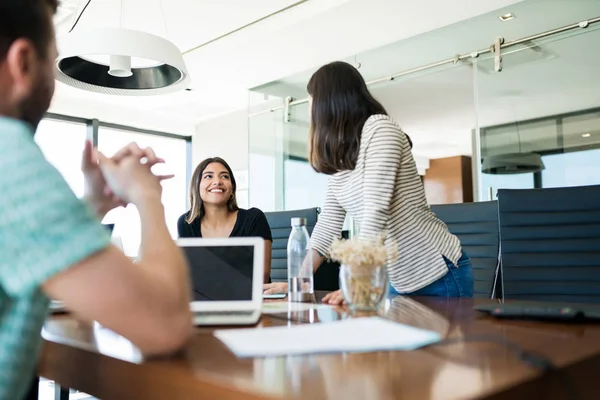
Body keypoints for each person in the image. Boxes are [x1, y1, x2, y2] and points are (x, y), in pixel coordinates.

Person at [0, 1, 192, 398]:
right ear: (23, 62)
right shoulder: (8, 156)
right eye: (52, 62)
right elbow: (165, 324)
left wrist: (91, 207)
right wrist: (146, 196)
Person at [264, 61, 473, 303]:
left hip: (435, 272)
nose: (309, 107)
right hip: (396, 278)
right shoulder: (342, 155)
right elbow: (328, 225)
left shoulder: (380, 129)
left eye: (312, 98)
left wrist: (356, 282)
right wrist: (298, 284)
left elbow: (376, 211)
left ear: (328, 101)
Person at [178, 157, 273, 283]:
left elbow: (262, 276)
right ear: (197, 186)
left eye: (224, 176)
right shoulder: (187, 223)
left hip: (249, 300)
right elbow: (186, 276)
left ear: (232, 188)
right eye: (208, 176)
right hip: (204, 301)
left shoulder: (254, 218)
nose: (217, 181)